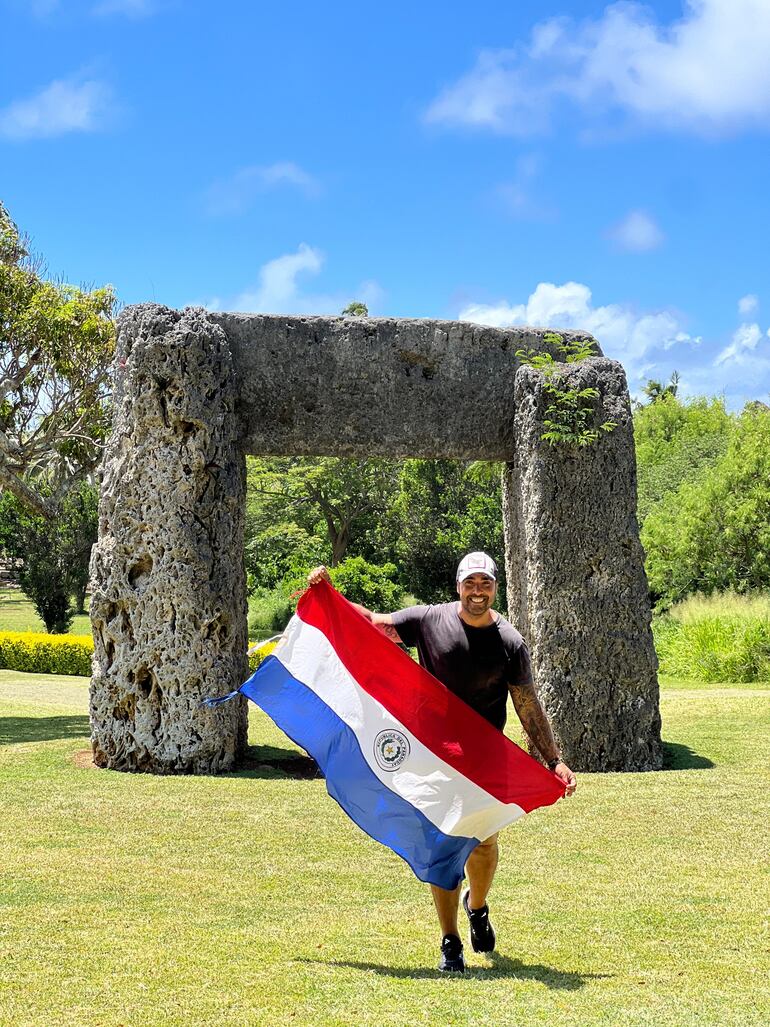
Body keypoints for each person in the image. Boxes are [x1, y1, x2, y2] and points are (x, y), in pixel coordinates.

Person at [307, 551, 577, 973]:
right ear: (458, 587)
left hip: (485, 759)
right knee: (442, 844)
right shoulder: (430, 620)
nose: (477, 592)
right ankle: (449, 939)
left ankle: (478, 905)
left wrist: (554, 759)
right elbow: (377, 626)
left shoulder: (510, 642)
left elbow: (527, 706)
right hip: (432, 755)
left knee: (484, 843)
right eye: (470, 583)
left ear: (494, 588)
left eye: (485, 584)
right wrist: (329, 595)